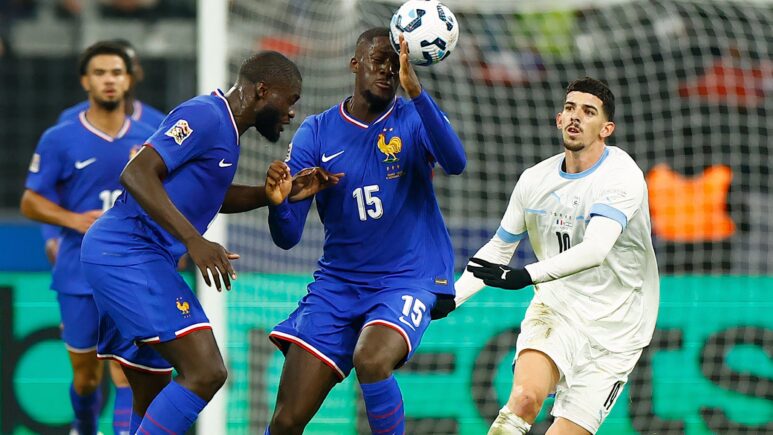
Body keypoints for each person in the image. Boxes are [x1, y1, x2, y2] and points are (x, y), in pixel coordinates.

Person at [80, 50, 340, 435]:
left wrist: (270, 195)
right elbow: (136, 174)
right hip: (127, 252)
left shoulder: (228, 133)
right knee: (206, 371)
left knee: (153, 394)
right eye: (290, 100)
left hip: (137, 257)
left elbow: (212, 194)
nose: (291, 113)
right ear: (262, 90)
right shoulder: (206, 115)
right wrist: (194, 240)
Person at [265, 28, 466, 434]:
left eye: (394, 64)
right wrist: (278, 202)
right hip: (339, 284)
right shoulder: (317, 132)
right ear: (355, 64)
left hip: (407, 277)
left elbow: (456, 162)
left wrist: (417, 92)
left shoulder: (413, 115)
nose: (387, 70)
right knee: (286, 421)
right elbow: (287, 237)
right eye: (378, 61)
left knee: (371, 359)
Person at [454, 77, 659, 435]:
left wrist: (524, 275)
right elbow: (500, 248)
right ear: (559, 119)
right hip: (556, 310)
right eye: (570, 108)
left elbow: (596, 249)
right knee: (524, 399)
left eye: (589, 111)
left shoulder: (622, 175)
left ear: (606, 129)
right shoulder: (534, 180)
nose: (576, 116)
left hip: (618, 327)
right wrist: (451, 298)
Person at [20, 40, 157, 435]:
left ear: (129, 79)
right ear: (85, 81)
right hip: (78, 271)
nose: (108, 80)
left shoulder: (152, 137)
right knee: (86, 378)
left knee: (127, 371)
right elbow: (31, 200)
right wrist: (73, 220)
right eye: (99, 73)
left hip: (131, 271)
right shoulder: (60, 137)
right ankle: (83, 425)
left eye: (116, 72)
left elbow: (171, 198)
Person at [58, 38, 166, 128]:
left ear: (139, 72)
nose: (110, 79)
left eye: (117, 71)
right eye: (100, 72)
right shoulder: (69, 119)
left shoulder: (158, 125)